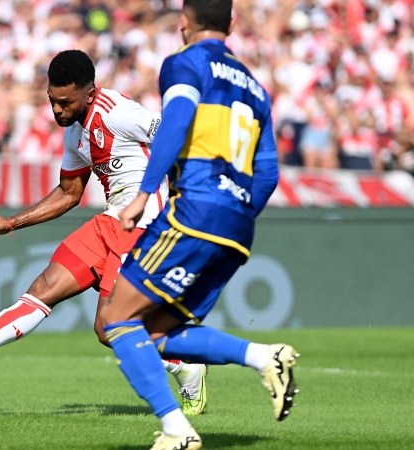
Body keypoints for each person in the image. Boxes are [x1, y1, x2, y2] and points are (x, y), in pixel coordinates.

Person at [0, 50, 209, 416]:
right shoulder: (74, 134)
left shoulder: (119, 113)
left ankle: (185, 365)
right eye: (52, 102)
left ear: (88, 92)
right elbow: (69, 193)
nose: (57, 111)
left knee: (108, 328)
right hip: (110, 222)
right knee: (43, 288)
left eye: (65, 103)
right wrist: (12, 222)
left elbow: (175, 134)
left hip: (143, 226)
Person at [97, 2, 299, 449]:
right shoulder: (256, 88)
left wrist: (144, 192)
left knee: (115, 319)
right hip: (238, 225)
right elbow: (267, 175)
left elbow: (178, 119)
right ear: (230, 25)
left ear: (184, 22)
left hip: (196, 210)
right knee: (157, 334)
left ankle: (177, 431)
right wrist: (236, 215)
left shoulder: (184, 63)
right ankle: (265, 357)